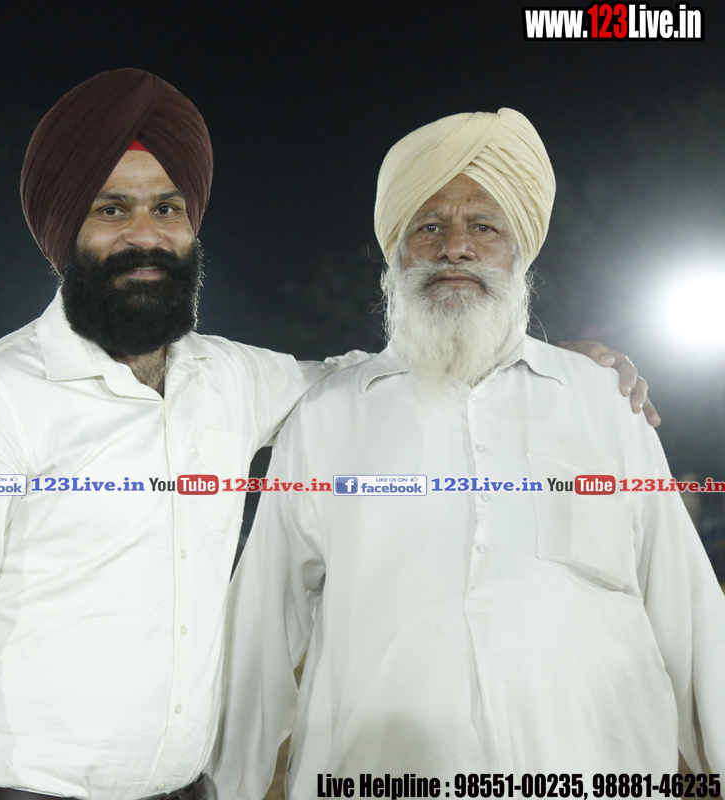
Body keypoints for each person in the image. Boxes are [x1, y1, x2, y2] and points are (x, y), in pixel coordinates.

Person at [0, 72, 656, 800]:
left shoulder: (227, 378)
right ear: (63, 230)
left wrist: (540, 361)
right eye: (111, 210)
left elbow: (364, 381)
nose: (146, 236)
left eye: (167, 209)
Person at [212, 109, 725, 791]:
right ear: (396, 252)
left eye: (483, 226)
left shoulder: (606, 403)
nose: (455, 247)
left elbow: (690, 617)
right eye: (428, 226)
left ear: (521, 252)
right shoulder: (329, 416)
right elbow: (261, 638)